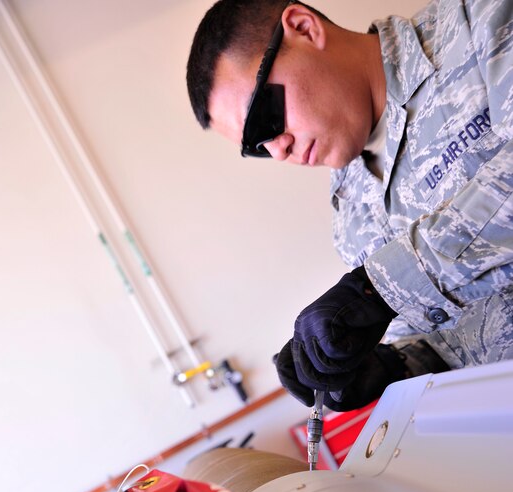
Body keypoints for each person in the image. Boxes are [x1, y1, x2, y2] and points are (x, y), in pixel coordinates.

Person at [186, 0, 513, 410]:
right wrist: (393, 365)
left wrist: (381, 289)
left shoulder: (480, 20)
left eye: (263, 120)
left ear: (305, 29)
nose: (279, 148)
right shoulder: (350, 211)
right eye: (258, 148)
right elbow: (445, 344)